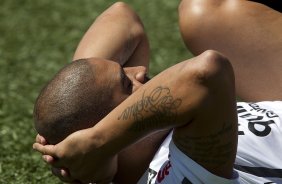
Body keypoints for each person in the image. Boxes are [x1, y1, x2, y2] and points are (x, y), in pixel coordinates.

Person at [32, 0, 282, 183]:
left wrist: (79, 135)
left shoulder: (133, 147)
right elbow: (207, 73)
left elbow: (122, 17)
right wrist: (99, 142)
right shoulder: (169, 175)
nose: (140, 70)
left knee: (202, 12)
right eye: (126, 83)